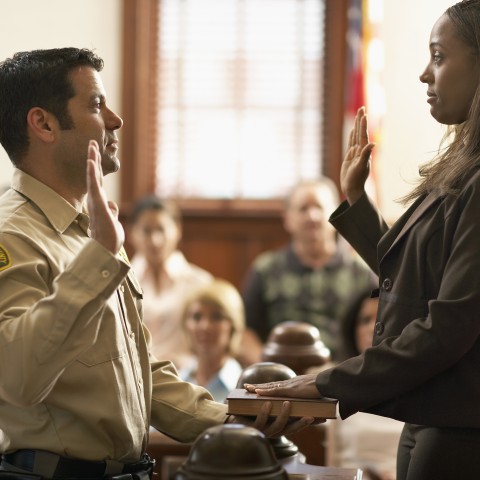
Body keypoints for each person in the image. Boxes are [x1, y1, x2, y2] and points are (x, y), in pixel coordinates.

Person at [0, 47, 314, 480]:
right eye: (95, 104)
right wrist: (99, 257)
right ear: (44, 123)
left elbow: (137, 371)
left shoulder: (91, 229)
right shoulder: (11, 235)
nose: (116, 120)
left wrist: (229, 421)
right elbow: (18, 379)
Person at [244, 1, 480, 478]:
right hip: (432, 416)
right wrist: (356, 201)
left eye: (438, 56)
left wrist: (332, 382)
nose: (423, 74)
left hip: (462, 429)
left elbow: (448, 326)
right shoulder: (464, 165)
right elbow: (417, 280)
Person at [241, 177, 377, 361]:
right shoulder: (265, 270)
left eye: (319, 207)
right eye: (303, 208)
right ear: (287, 218)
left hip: (345, 378)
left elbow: (378, 330)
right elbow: (246, 333)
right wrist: (267, 370)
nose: (312, 216)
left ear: (335, 213)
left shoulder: (362, 273)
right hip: (280, 378)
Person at [325, 289, 403, 480]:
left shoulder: (428, 386)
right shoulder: (334, 383)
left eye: (381, 319)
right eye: (365, 320)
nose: (371, 329)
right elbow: (328, 464)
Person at [129, 195, 212, 369]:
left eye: (161, 230)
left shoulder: (200, 283)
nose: (154, 240)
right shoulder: (120, 280)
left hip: (184, 378)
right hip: (134, 376)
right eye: (146, 231)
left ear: (177, 231)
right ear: (132, 233)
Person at [178, 278, 244, 403]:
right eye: (197, 317)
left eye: (216, 317)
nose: (205, 327)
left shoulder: (243, 388)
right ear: (185, 325)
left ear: (233, 326)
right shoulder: (175, 382)